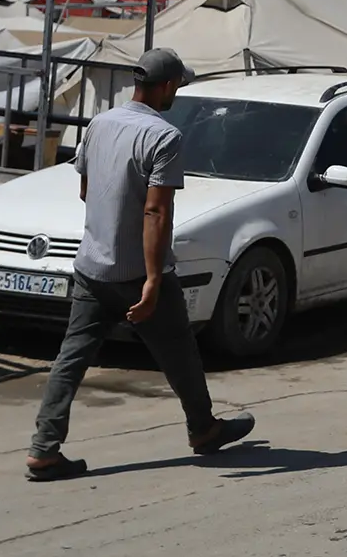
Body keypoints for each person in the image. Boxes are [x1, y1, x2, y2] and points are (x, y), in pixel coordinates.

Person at [25, 48, 255, 481]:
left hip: (92, 267)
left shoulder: (99, 123)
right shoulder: (164, 137)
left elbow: (85, 191)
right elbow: (156, 213)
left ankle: (44, 449)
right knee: (179, 351)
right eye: (177, 87)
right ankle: (203, 429)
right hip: (136, 271)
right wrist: (151, 280)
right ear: (167, 86)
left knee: (70, 359)